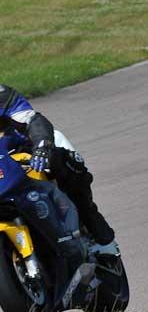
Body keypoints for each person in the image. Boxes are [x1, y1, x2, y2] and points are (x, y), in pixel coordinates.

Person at [0, 84, 117, 254]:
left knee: (62, 157)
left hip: (21, 153)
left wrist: (42, 145)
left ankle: (91, 221)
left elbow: (31, 120)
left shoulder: (2, 94)